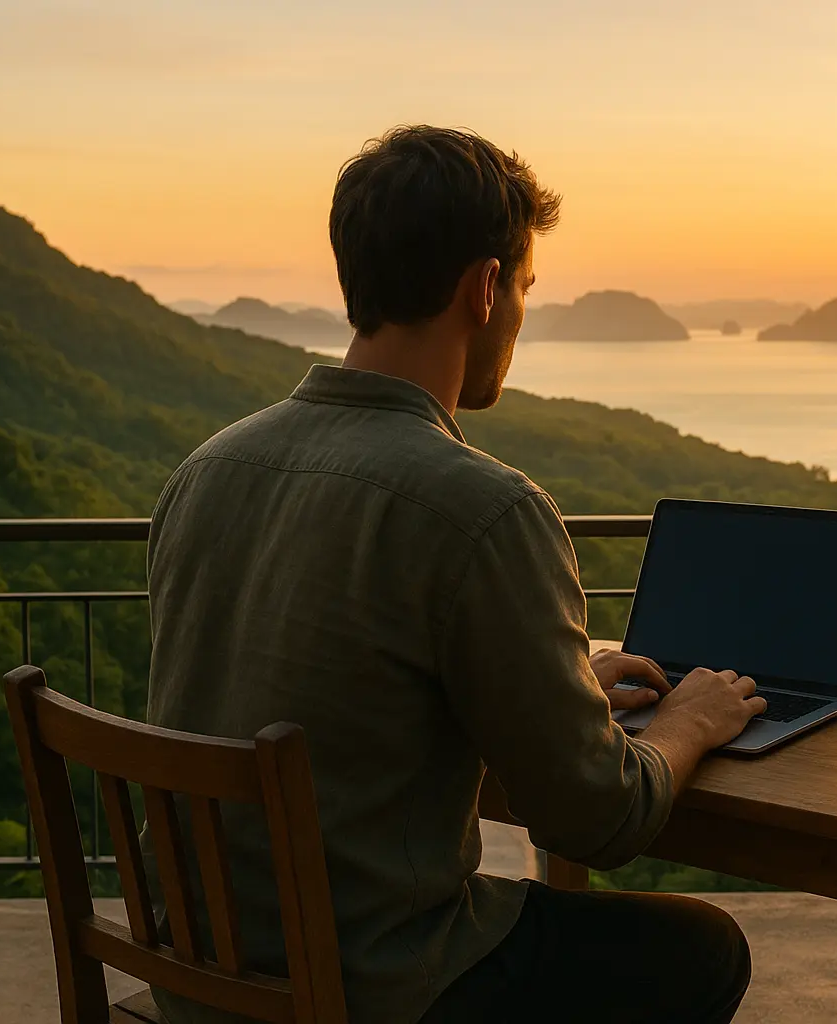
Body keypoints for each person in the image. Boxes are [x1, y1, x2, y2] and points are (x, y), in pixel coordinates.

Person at [145, 125, 766, 1024]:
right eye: (523, 286)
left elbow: (337, 697)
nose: (518, 313)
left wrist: (553, 693)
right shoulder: (483, 509)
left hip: (199, 976)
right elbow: (598, 820)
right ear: (484, 288)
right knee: (704, 949)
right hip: (373, 988)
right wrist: (689, 723)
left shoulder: (204, 472)